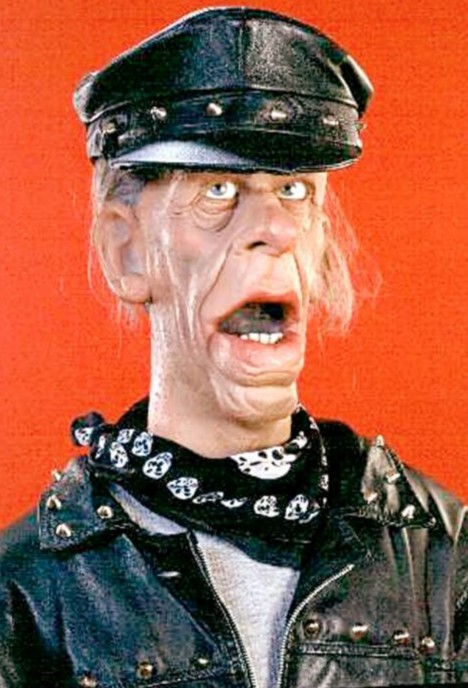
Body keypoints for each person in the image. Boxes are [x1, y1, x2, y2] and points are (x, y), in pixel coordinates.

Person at [0, 7, 467, 688]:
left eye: (295, 190)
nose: (274, 228)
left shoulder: (443, 554)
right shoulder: (29, 592)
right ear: (126, 250)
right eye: (218, 192)